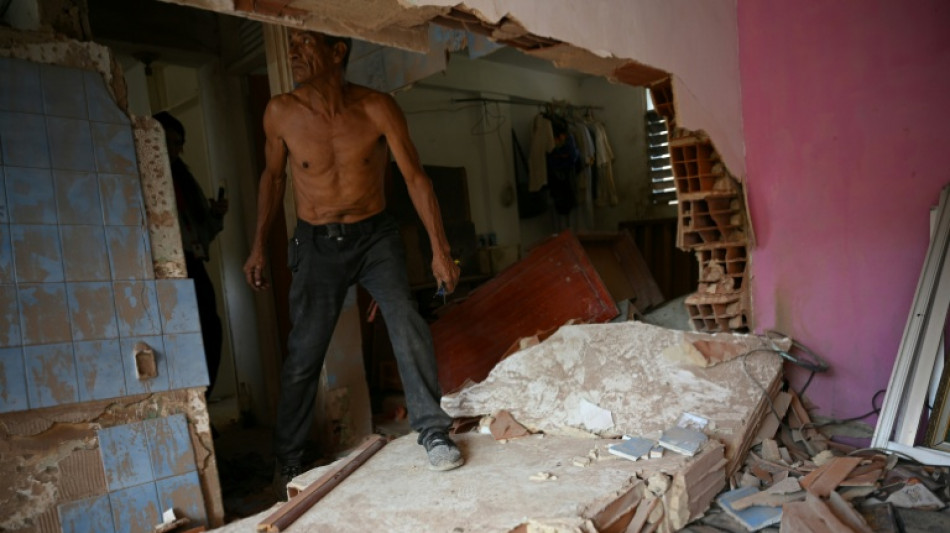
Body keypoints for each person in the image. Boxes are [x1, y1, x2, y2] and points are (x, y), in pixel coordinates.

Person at [242, 29, 463, 498]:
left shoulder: (377, 107)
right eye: (292, 45)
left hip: (376, 235)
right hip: (317, 241)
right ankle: (289, 458)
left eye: (305, 43)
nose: (294, 52)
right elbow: (273, 179)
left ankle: (433, 431)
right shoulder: (281, 112)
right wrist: (259, 245)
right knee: (304, 350)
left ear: (337, 51)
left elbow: (416, 179)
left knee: (406, 322)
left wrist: (440, 248)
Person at [154, 111, 228, 402]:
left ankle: (202, 403)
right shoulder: (145, 176)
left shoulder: (183, 177)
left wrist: (215, 215)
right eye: (169, 141)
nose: (174, 149)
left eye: (178, 143)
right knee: (177, 338)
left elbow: (201, 231)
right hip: (164, 269)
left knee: (210, 330)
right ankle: (187, 406)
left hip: (192, 262)